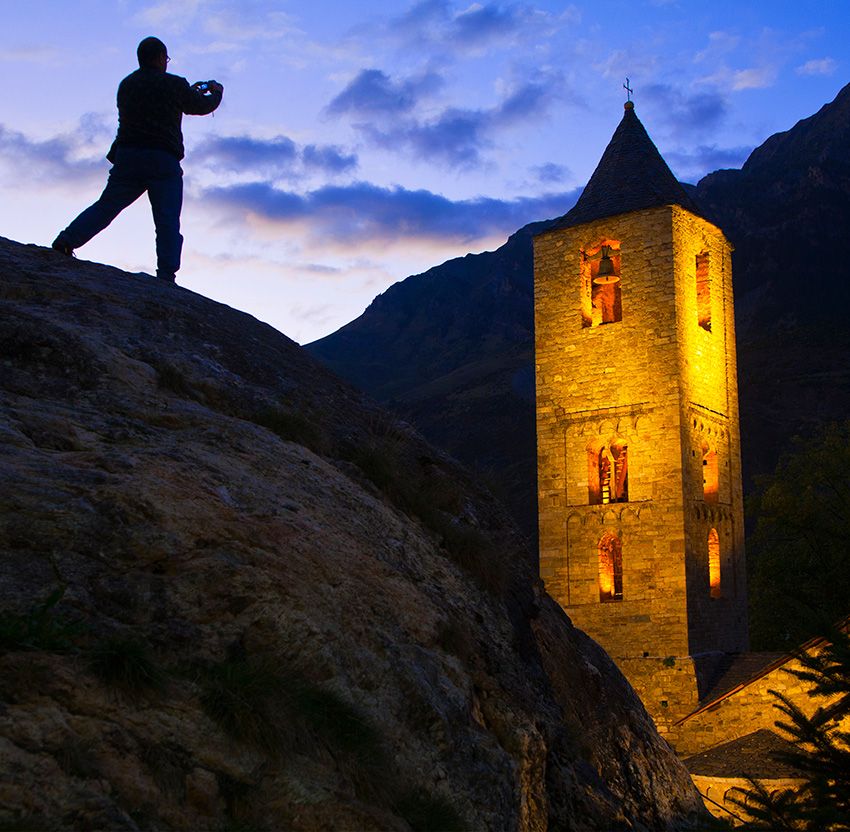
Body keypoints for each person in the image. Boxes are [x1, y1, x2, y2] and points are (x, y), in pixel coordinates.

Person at [52, 37, 223, 283]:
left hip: (128, 157)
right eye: (166, 58)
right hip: (162, 159)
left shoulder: (126, 85)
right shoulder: (174, 84)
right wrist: (216, 93)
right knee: (167, 221)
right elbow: (200, 105)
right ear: (161, 57)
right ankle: (166, 276)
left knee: (106, 207)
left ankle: (67, 241)